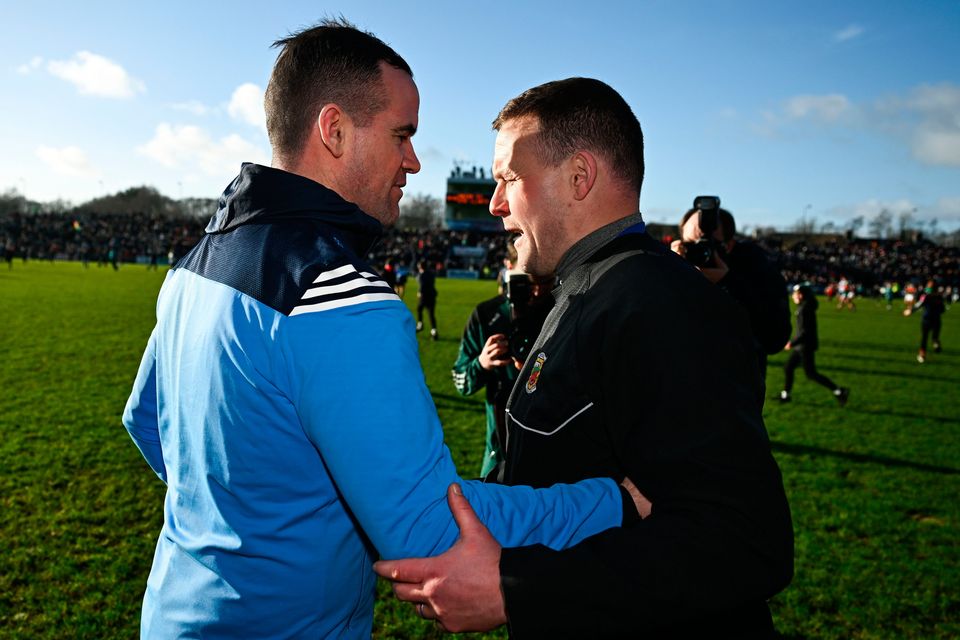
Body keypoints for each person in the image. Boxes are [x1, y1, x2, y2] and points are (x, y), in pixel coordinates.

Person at [122, 25, 638, 639]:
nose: (415, 161)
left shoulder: (196, 263)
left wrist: (251, 511)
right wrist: (614, 503)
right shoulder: (335, 290)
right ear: (334, 130)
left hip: (175, 613)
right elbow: (431, 530)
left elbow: (147, 422)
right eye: (403, 135)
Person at [376, 77, 794, 637]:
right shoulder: (586, 287)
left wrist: (516, 590)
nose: (496, 203)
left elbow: (743, 539)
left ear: (579, 177)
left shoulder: (659, 305)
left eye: (508, 179)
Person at [451, 237, 553, 476]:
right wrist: (482, 364)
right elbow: (460, 380)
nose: (537, 290)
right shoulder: (486, 315)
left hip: (553, 445)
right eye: (528, 280)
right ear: (509, 268)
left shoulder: (563, 308)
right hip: (500, 450)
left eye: (546, 280)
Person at [671, 204, 791, 397]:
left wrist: (729, 283)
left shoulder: (756, 271)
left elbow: (775, 337)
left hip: (734, 403)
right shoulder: (671, 272)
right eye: (691, 245)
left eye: (708, 244)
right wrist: (670, 270)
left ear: (729, 245)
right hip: (675, 398)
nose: (701, 252)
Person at [778, 284, 850, 405]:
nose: (793, 296)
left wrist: (792, 343)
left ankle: (839, 391)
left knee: (811, 374)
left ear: (801, 295)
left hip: (805, 346)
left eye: (795, 293)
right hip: (802, 346)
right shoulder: (804, 307)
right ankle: (785, 395)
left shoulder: (804, 309)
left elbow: (805, 331)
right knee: (788, 367)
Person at [914, 279, 946, 363]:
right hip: (936, 319)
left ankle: (922, 355)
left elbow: (919, 305)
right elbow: (943, 309)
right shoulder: (939, 296)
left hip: (926, 318)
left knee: (924, 338)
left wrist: (910, 311)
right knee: (935, 337)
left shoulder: (925, 296)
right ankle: (936, 344)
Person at [415, 259, 439, 339]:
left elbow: (422, 285)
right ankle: (434, 331)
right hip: (432, 295)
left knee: (419, 309)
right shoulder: (431, 274)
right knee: (431, 314)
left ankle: (420, 324)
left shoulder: (421, 275)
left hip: (425, 296)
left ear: (420, 267)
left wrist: (420, 292)